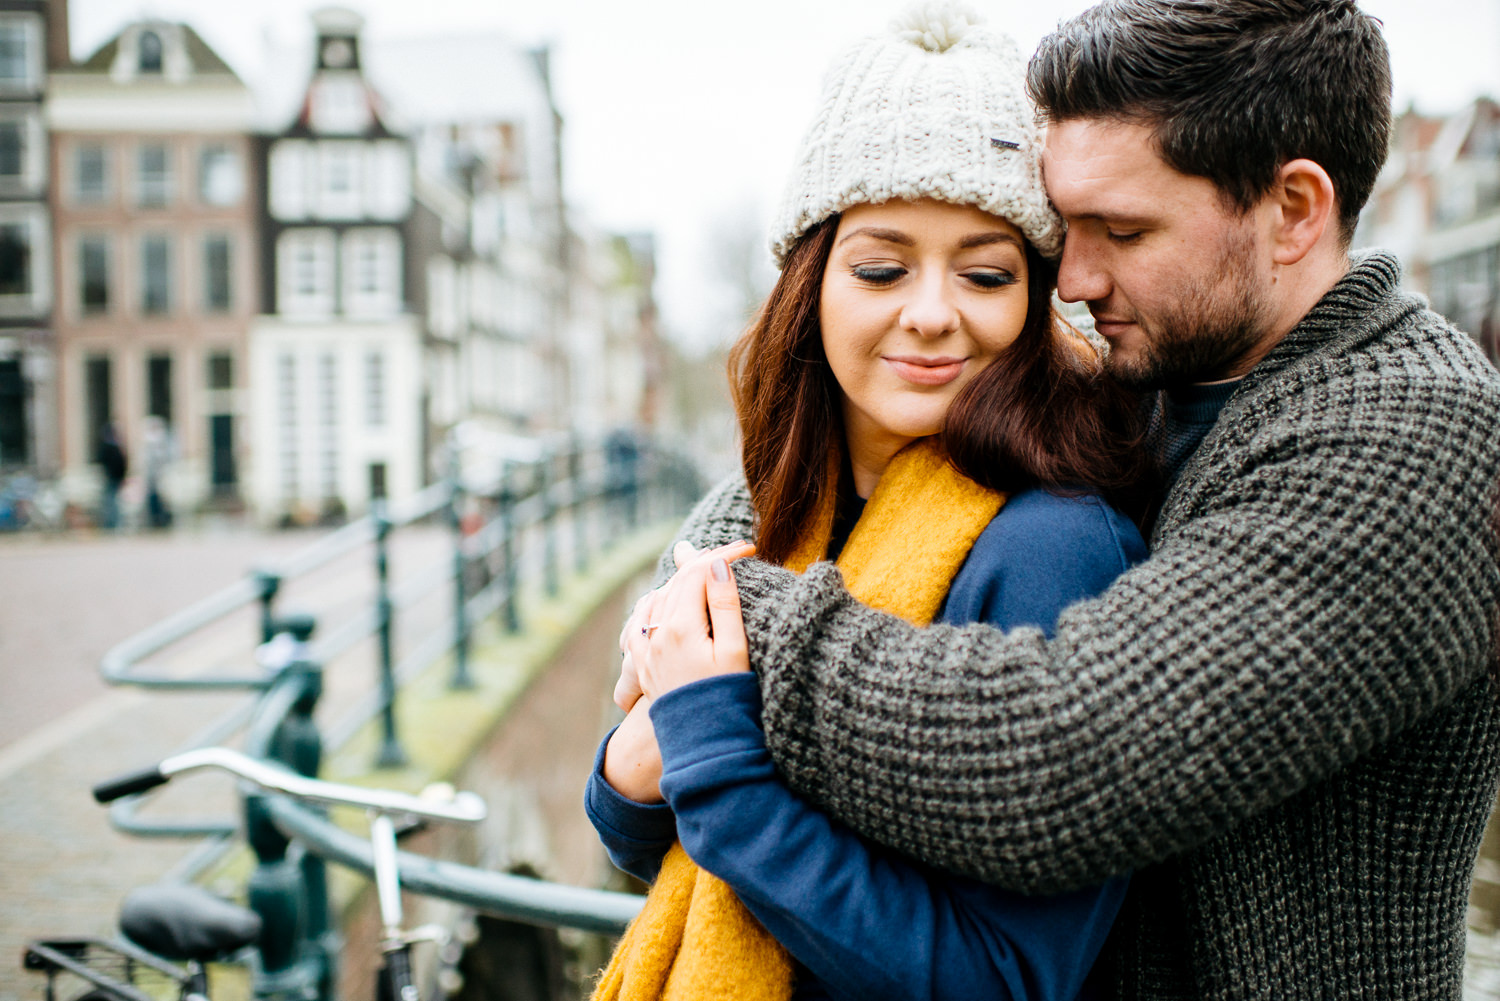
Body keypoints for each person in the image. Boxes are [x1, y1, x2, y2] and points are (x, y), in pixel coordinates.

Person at [624, 0, 1500, 997]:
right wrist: (688, 589)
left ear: (1294, 209)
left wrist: (724, 624)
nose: (1071, 276)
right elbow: (815, 486)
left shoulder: (1415, 432)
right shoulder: (1151, 373)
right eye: (1065, 226)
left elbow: (1063, 751)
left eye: (1120, 229)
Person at [588, 6, 1156, 999]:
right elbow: (668, 855)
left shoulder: (1057, 547)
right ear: (810, 283)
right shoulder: (760, 515)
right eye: (882, 266)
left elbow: (1009, 975)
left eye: (985, 271)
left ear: (1033, 298)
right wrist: (627, 772)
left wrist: (714, 762)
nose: (932, 311)